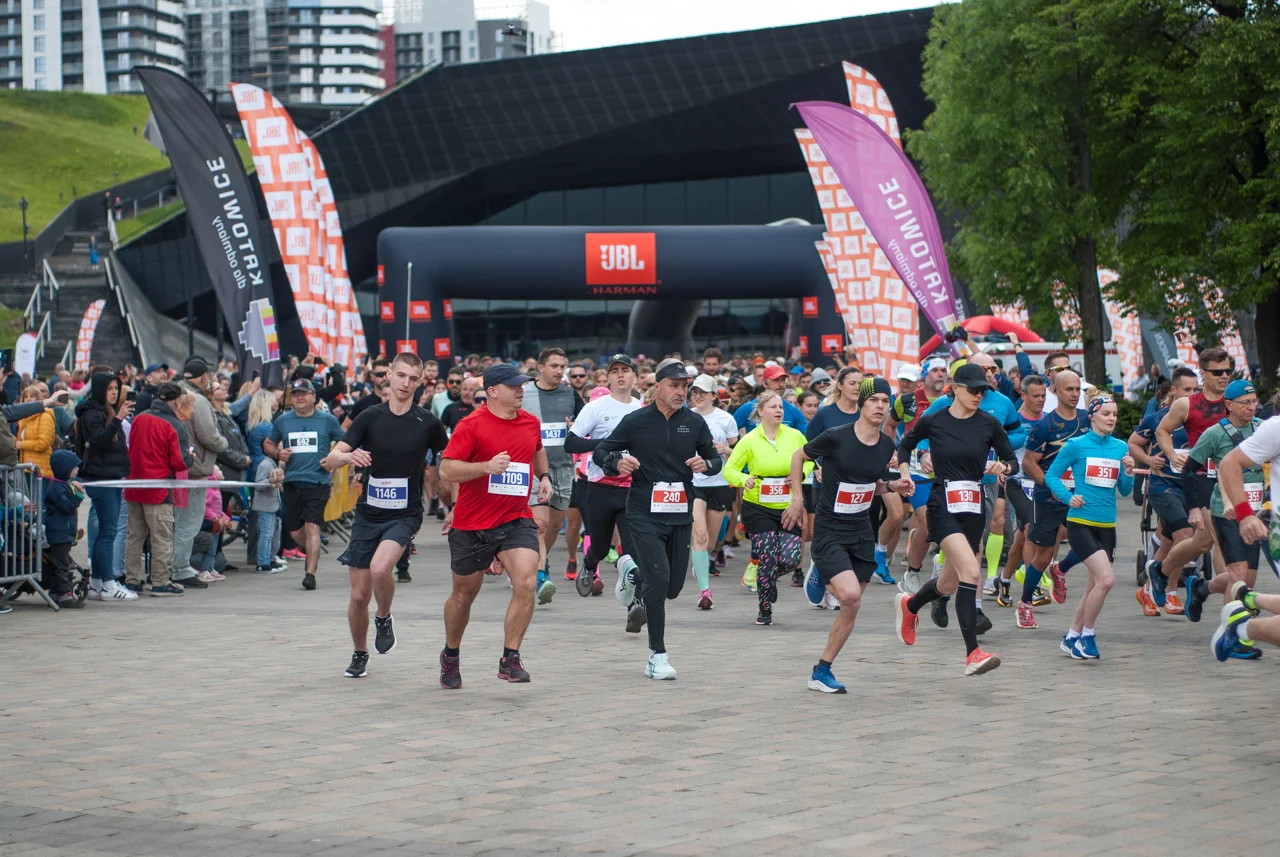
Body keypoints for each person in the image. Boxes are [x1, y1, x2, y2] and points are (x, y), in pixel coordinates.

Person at [593, 359, 722, 680]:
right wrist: (615, 462)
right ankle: (657, 655)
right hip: (642, 511)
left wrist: (706, 464)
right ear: (658, 386)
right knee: (659, 579)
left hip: (680, 512)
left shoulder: (693, 423)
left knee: (674, 588)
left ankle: (631, 570)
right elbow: (601, 451)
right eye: (675, 385)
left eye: (685, 387)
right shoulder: (636, 421)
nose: (681, 392)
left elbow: (716, 458)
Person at [324, 353, 450, 679]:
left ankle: (383, 616)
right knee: (356, 596)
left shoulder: (429, 423)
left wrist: (453, 507)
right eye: (401, 376)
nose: (406, 383)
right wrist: (349, 455)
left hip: (405, 513)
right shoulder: (369, 417)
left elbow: (448, 466)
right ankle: (359, 652)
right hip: (368, 513)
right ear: (389, 377)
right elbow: (331, 459)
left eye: (413, 378)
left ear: (421, 382)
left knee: (381, 569)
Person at [788, 377, 914, 692]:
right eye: (874, 401)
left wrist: (893, 486)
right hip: (830, 527)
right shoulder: (836, 437)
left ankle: (822, 670)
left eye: (885, 402)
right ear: (862, 404)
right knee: (850, 595)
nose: (880, 407)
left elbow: (873, 486)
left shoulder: (887, 445)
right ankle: (821, 573)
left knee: (852, 605)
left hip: (860, 529)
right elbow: (798, 456)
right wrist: (798, 498)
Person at [892, 363, 1018, 676]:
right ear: (956, 388)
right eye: (973, 389)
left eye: (983, 390)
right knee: (972, 571)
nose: (978, 394)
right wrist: (909, 468)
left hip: (974, 507)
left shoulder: (989, 424)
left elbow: (1013, 460)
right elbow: (905, 444)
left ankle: (910, 606)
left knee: (949, 582)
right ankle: (972, 652)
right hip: (942, 504)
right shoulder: (935, 420)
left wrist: (1005, 468)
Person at [438, 364, 552, 688]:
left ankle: (510, 658)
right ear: (492, 391)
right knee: (463, 595)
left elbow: (537, 449)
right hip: (473, 523)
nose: (521, 390)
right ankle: (451, 654)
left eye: (523, 385)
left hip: (515, 518)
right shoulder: (470, 425)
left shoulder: (530, 422)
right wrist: (486, 467)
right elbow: (446, 469)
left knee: (527, 582)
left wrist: (543, 476)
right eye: (514, 386)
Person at [1043, 396, 1135, 658]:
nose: (1111, 418)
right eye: (1106, 413)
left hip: (1107, 526)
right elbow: (1051, 475)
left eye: (1114, 414)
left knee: (1094, 587)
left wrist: (1128, 472)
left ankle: (1072, 635)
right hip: (1080, 523)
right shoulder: (1076, 445)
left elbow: (1125, 491)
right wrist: (1067, 496)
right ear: (1092, 416)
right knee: (1106, 581)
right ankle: (1088, 637)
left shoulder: (1120, 447)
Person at [1150, 346, 1235, 608]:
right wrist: (1171, 454)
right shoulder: (1187, 404)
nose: (1224, 376)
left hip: (1230, 478)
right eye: (1218, 372)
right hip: (1200, 480)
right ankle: (1232, 613)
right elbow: (1162, 430)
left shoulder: (1236, 401)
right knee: (1222, 541)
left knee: (1200, 543)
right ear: (1203, 374)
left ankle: (1161, 571)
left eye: (1228, 371)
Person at [1179, 381, 1263, 636]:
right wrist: (1193, 508)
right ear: (1228, 405)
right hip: (1225, 511)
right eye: (1245, 403)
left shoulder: (1261, 429)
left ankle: (1201, 588)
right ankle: (1231, 635)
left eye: (1254, 401)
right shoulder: (1215, 433)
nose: (1251, 407)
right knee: (1237, 574)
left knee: (1248, 578)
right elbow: (1188, 471)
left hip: (1255, 510)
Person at [722, 390, 811, 625]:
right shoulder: (749, 440)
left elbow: (811, 460)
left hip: (788, 506)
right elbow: (729, 470)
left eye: (781, 407)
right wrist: (744, 480)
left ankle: (766, 578)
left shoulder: (794, 436)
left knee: (791, 559)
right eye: (773, 407)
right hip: (758, 506)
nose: (779, 411)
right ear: (760, 412)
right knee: (767, 554)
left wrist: (801, 473)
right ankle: (765, 608)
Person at [564, 355, 643, 599]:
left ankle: (635, 604)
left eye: (625, 370)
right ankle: (588, 566)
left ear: (634, 376)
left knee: (631, 549)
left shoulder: (641, 410)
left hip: (633, 488)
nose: (620, 375)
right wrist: (608, 444)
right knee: (598, 545)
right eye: (615, 371)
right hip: (600, 487)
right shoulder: (596, 407)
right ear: (608, 377)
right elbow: (571, 442)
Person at [1016, 369, 1087, 629]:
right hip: (1049, 498)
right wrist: (1053, 486)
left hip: (1080, 497)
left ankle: (1061, 570)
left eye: (1078, 389)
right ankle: (1024, 604)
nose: (1075, 394)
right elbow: (1029, 463)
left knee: (1093, 545)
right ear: (1055, 391)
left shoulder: (1088, 420)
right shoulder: (1044, 426)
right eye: (1069, 389)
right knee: (1043, 556)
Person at [1126, 367, 1198, 616]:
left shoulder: (1199, 418)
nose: (1192, 394)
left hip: (1189, 488)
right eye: (1187, 389)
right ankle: (1171, 592)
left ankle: (1147, 589)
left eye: (1195, 390)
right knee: (1185, 536)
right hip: (1163, 486)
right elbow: (1133, 443)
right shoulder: (1158, 418)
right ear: (1174, 390)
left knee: (1168, 543)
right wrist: (1147, 460)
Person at [1210, 410, 1280, 660]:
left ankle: (1246, 606)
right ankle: (1240, 628)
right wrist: (1245, 513)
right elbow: (1229, 464)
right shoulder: (1276, 428)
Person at [264, 378, 345, 590]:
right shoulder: (283, 421)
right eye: (296, 394)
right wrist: (278, 452)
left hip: (318, 482)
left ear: (313, 397)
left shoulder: (327, 420)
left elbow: (346, 442)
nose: (299, 397)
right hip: (292, 483)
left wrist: (334, 457)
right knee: (295, 531)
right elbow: (268, 443)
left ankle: (310, 574)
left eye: (304, 393)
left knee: (312, 526)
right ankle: (312, 550)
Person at [521, 347, 584, 602]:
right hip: (534, 467)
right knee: (541, 524)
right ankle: (540, 573)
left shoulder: (571, 393)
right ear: (541, 367)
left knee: (555, 524)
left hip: (563, 467)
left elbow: (585, 424)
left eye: (562, 366)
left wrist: (576, 429)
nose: (560, 371)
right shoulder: (524, 393)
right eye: (555, 366)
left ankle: (539, 560)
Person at [123, 385, 194, 597]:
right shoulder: (174, 425)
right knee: (161, 536)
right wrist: (191, 457)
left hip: (135, 485)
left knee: (134, 537)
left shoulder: (139, 417)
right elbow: (181, 461)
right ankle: (160, 582)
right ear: (176, 401)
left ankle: (132, 580)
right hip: (158, 488)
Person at [171, 357, 229, 590]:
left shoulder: (176, 393)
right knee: (189, 522)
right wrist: (224, 443)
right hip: (194, 469)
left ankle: (174, 566)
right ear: (204, 377)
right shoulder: (199, 401)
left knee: (179, 522)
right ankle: (180, 568)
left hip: (180, 466)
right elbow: (207, 434)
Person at [76, 372, 133, 600]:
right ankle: (109, 584)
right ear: (100, 389)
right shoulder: (92, 413)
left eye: (116, 388)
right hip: (101, 478)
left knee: (105, 532)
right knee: (108, 531)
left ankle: (98, 582)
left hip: (111, 476)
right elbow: (99, 441)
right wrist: (118, 419)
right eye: (109, 388)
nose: (114, 392)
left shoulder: (106, 411)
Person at [688, 374, 738, 610]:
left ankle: (700, 558)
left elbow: (736, 452)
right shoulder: (686, 416)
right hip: (694, 482)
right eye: (694, 391)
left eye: (702, 392)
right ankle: (705, 592)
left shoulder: (726, 419)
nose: (697, 396)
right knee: (699, 537)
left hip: (718, 482)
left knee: (709, 542)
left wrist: (724, 449)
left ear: (713, 396)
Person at [44, 449, 86, 609]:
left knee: (59, 563)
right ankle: (65, 595)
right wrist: (79, 495)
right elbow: (66, 507)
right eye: (74, 467)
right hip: (59, 534)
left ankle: (55, 592)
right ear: (65, 469)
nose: (77, 469)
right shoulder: (57, 488)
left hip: (64, 533)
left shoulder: (62, 485)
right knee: (62, 565)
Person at [733, 365, 808, 434]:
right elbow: (729, 431)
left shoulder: (793, 411)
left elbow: (807, 438)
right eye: (776, 380)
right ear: (764, 383)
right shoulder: (748, 408)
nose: (780, 384)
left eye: (783, 380)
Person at [15, 385, 56, 476]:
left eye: (32, 396)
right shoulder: (23, 417)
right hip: (26, 467)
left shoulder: (45, 416)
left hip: (40, 469)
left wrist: (21, 444)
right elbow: (19, 440)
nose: (28, 399)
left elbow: (43, 443)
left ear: (38, 398)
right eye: (26, 397)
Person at [343, 358, 390, 429]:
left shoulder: (400, 401)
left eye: (387, 374)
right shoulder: (362, 404)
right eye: (380, 374)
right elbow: (344, 427)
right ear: (372, 376)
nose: (384, 377)